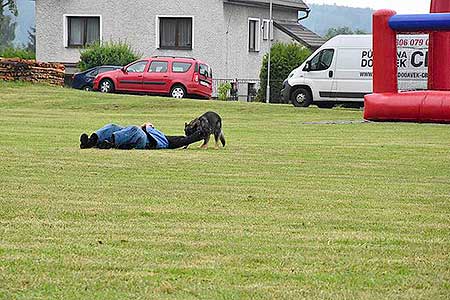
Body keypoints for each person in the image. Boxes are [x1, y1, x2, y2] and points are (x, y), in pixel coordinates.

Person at [80, 122, 207, 150]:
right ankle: (91, 141)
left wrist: (200, 134)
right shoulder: (156, 132)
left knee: (135, 130)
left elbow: (186, 140)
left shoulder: (168, 142)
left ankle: (109, 143)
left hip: (145, 142)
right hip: (139, 134)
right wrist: (146, 126)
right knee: (113, 126)